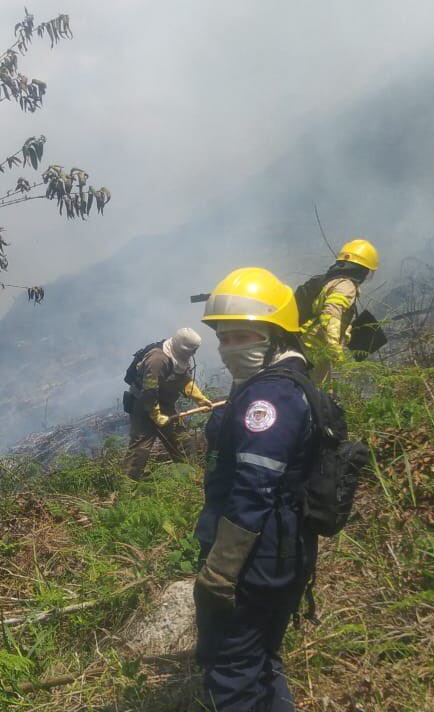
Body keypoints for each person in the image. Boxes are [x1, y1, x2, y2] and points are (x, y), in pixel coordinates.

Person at [193, 267, 319, 711]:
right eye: (224, 338)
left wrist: (221, 570)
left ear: (275, 336)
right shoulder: (284, 385)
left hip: (255, 559)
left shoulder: (271, 397)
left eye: (241, 337)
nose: (229, 348)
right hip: (279, 550)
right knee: (261, 660)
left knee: (231, 670)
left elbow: (254, 486)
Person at [125, 328, 211, 480]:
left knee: (183, 443)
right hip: (142, 406)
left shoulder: (180, 357)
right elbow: (149, 391)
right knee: (140, 449)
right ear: (182, 347)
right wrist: (156, 415)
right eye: (192, 351)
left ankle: (190, 477)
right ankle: (127, 485)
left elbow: (183, 379)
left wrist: (199, 398)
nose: (193, 354)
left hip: (165, 405)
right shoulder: (157, 360)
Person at [301, 239, 379, 383]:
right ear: (364, 270)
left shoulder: (331, 280)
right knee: (314, 390)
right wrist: (334, 348)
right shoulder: (346, 286)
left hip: (305, 343)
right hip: (317, 349)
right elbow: (331, 314)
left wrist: (346, 332)